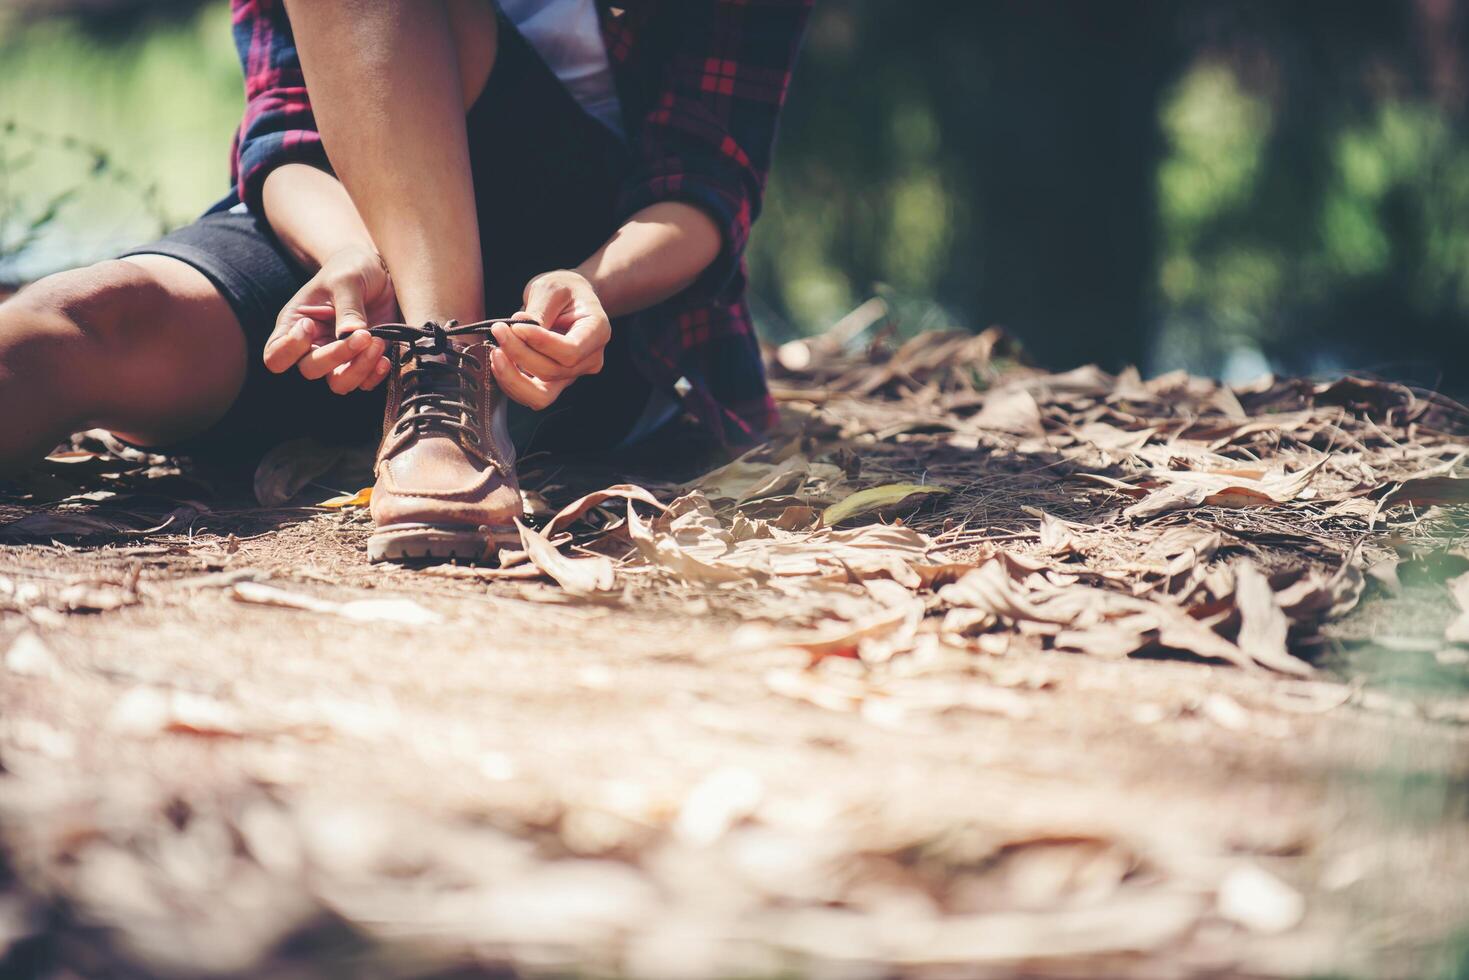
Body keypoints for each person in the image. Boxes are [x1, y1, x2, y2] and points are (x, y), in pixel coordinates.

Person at [0, 0, 812, 561]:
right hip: (348, 227)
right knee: (81, 324)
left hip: (582, 306)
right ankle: (424, 373)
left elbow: (705, 186)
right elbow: (284, 136)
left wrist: (589, 283)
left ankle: (443, 391)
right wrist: (353, 258)